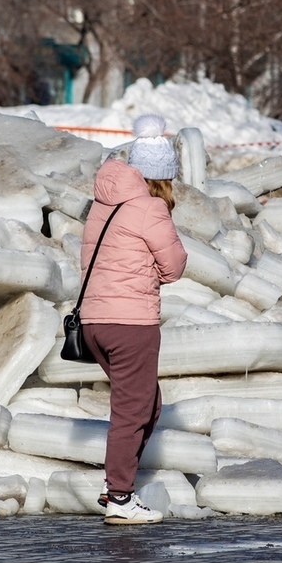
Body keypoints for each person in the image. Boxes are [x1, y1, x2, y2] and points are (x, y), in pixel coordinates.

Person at [80, 113, 187, 525]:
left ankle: (116, 487)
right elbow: (174, 266)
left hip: (95, 322)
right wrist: (154, 276)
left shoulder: (102, 204)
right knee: (132, 410)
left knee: (147, 405)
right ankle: (121, 497)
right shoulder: (150, 208)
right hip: (131, 325)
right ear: (162, 177)